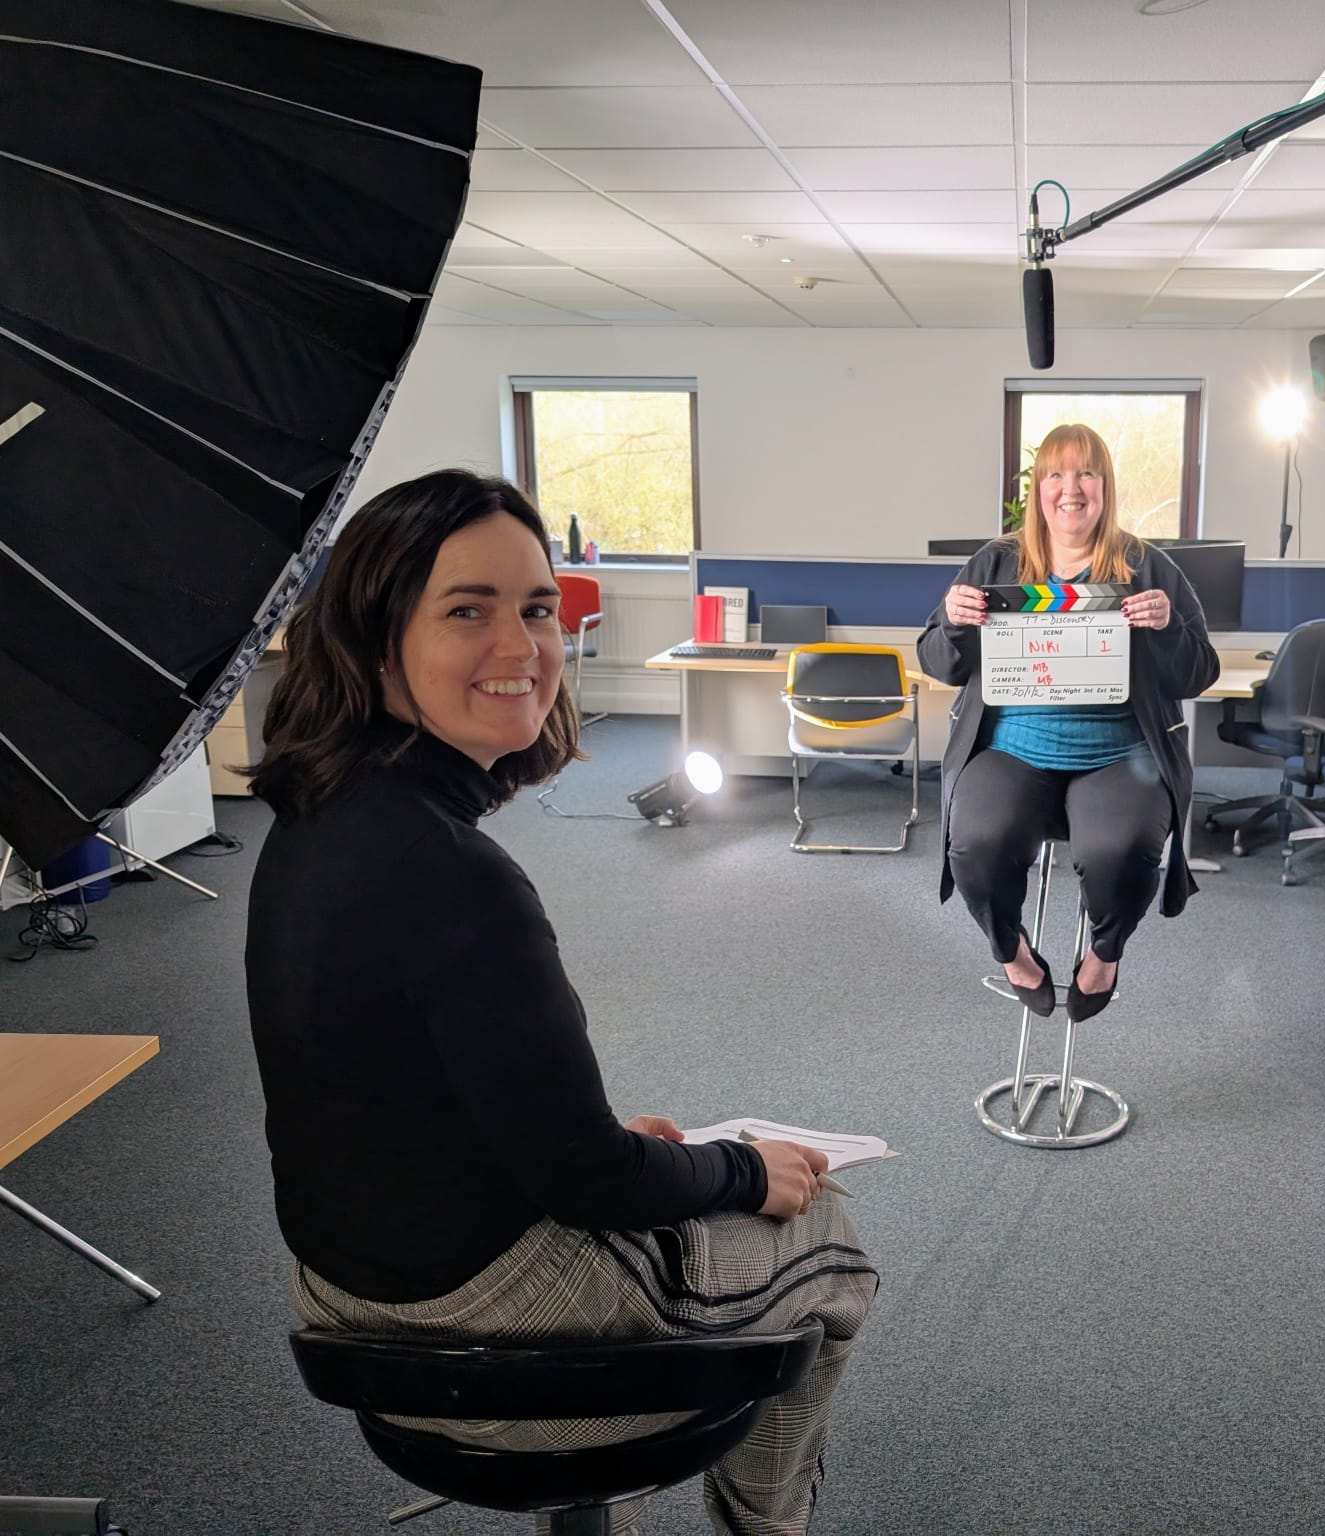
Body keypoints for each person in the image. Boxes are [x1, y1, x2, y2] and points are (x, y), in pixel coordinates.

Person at [244, 469, 876, 1536]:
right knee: (831, 1233)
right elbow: (588, 1177)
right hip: (480, 1315)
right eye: (465, 611)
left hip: (345, 1295)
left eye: (537, 608)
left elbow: (398, 1098)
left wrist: (605, 1153)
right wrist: (738, 1169)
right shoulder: (451, 875)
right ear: (373, 635)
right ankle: (764, 1528)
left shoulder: (319, 819)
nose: (522, 646)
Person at [917, 423, 1219, 1021]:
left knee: (1125, 851)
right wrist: (953, 620)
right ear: (1038, 489)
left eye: (1086, 473)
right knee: (976, 845)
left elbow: (1198, 673)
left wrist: (1169, 629)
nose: (1070, 488)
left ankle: (1105, 954)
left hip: (1119, 752)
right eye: (1055, 473)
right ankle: (1011, 951)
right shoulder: (997, 562)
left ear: (1105, 487)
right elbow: (937, 661)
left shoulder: (1148, 566)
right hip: (1012, 749)